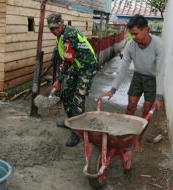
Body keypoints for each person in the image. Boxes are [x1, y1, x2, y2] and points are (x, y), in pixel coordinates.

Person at [100, 14, 164, 152]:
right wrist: (113, 90)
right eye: (131, 34)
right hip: (138, 76)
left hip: (152, 80)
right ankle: (126, 135)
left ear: (146, 29)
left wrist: (159, 97)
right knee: (131, 106)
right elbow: (122, 68)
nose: (133, 37)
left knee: (147, 110)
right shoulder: (131, 45)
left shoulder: (158, 45)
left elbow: (160, 72)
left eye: (136, 33)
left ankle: (137, 139)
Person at [46, 12, 98, 147]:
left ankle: (77, 132)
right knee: (66, 93)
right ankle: (71, 122)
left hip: (86, 67)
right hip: (76, 65)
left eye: (56, 27)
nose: (54, 31)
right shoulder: (60, 35)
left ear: (62, 23)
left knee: (78, 99)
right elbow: (65, 57)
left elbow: (67, 61)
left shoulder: (69, 35)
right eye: (51, 29)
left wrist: (58, 80)